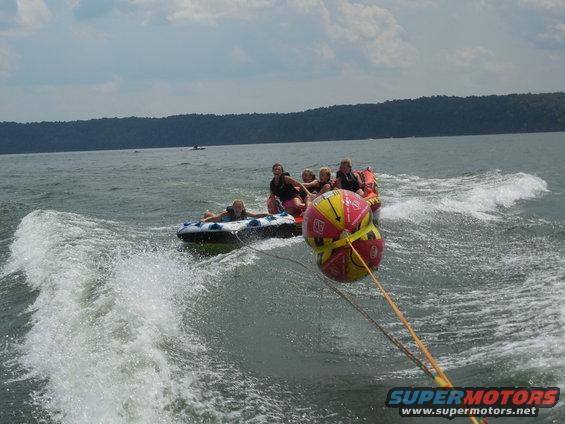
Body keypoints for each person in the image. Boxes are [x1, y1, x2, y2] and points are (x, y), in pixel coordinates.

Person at [202, 199, 268, 222]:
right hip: (222, 221)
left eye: (239, 207)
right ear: (233, 207)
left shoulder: (244, 213)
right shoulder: (228, 213)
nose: (237, 209)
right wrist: (204, 221)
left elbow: (256, 215)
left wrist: (268, 215)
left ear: (243, 208)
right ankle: (206, 215)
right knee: (207, 214)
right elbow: (216, 217)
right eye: (236, 207)